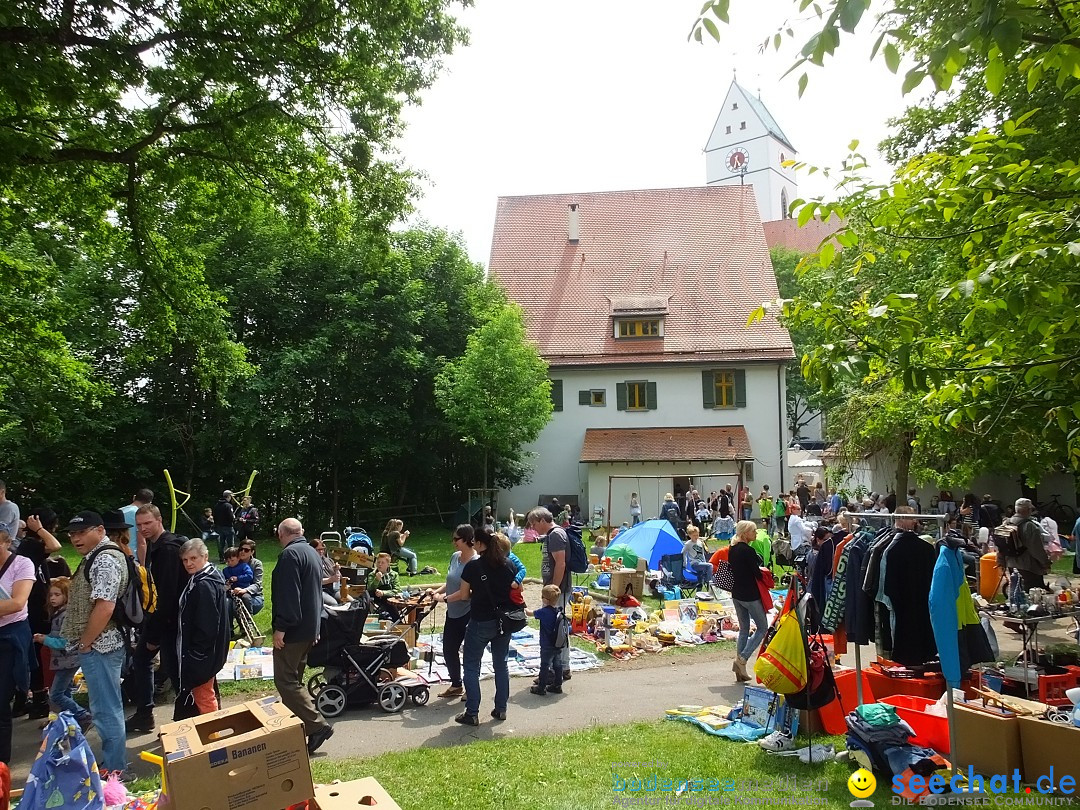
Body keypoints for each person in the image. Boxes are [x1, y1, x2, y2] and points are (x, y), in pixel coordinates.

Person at [64, 511, 129, 775]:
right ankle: (114, 765)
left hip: (101, 646)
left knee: (106, 709)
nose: (75, 539)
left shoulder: (104, 560)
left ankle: (115, 770)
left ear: (100, 531)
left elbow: (105, 607)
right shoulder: (98, 557)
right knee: (105, 707)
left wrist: (85, 643)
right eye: (72, 534)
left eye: (82, 532)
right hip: (98, 645)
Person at [272, 517, 333, 754]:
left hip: (294, 630)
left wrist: (281, 628)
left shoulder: (290, 556)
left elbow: (289, 595)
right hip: (309, 628)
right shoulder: (312, 553)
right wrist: (316, 628)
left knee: (285, 681)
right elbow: (316, 593)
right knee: (294, 681)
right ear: (302, 532)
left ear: (280, 535)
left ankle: (316, 726)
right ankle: (301, 728)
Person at [127, 504, 188, 733]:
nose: (143, 528)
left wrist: (155, 634)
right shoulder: (157, 545)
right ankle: (147, 714)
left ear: (159, 520)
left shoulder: (168, 549)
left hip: (172, 621)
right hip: (164, 619)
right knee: (146, 661)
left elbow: (169, 594)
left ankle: (180, 722)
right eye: (139, 525)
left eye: (147, 523)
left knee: (172, 670)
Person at [453, 528, 517, 724]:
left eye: (474, 542)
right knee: (501, 665)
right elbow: (514, 589)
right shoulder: (508, 565)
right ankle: (501, 708)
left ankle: (472, 712)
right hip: (503, 621)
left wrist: (478, 594)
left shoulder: (473, 567)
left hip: (480, 621)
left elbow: (464, 595)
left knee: (471, 666)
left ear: (480, 545)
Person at [17, 508, 64, 721]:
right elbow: (55, 545)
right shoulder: (31, 545)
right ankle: (39, 699)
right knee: (37, 654)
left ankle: (39, 697)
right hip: (34, 608)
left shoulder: (32, 547)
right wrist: (40, 529)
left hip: (39, 604)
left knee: (40, 652)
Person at [175, 539, 229, 719]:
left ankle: (214, 738)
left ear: (205, 556)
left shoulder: (204, 584)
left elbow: (207, 625)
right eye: (184, 560)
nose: (189, 563)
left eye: (193, 558)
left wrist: (196, 655)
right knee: (204, 694)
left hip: (203, 654)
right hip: (206, 652)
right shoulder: (208, 576)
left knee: (204, 696)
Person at [34, 578, 93, 732]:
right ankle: (69, 720)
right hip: (63, 660)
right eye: (51, 595)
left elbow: (65, 643)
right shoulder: (59, 614)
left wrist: (45, 640)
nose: (52, 598)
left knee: (56, 694)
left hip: (68, 660)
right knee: (65, 692)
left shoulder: (65, 616)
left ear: (66, 596)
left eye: (57, 594)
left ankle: (83, 715)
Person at [428, 524, 478, 698]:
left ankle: (471, 689)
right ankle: (456, 685)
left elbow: (469, 592)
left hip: (469, 613)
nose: (453, 542)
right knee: (449, 649)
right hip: (453, 612)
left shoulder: (475, 562)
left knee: (470, 653)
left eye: (456, 539)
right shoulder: (455, 557)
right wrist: (438, 592)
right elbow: (450, 580)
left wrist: (445, 599)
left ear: (466, 539)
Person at [0, 527, 34, 764]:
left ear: (6, 542)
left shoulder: (22, 564)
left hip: (10, 638)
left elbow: (17, 603)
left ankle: (2, 764)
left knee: (1, 701)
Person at [528, 506, 572, 684]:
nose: (533, 528)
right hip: (554, 590)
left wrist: (553, 589)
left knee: (555, 631)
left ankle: (557, 670)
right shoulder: (553, 535)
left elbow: (560, 564)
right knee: (556, 629)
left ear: (542, 520)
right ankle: (561, 668)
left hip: (556, 591)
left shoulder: (555, 535)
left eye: (533, 524)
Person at [729, 520, 768, 682]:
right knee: (762, 627)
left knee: (744, 629)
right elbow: (756, 574)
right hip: (750, 594)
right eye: (753, 531)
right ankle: (742, 658)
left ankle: (741, 670)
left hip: (736, 593)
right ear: (745, 533)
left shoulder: (733, 549)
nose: (756, 534)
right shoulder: (748, 551)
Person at [1000, 498, 1051, 591]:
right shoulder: (1030, 526)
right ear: (1027, 510)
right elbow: (1036, 549)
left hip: (1011, 564)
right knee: (1032, 595)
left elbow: (1000, 546)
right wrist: (1045, 563)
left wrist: (1001, 561)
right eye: (1031, 509)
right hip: (1029, 566)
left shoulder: (1006, 523)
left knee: (1016, 592)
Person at [528, 584, 566, 696]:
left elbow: (530, 613)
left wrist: (523, 607)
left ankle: (541, 687)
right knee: (557, 665)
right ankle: (557, 685)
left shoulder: (543, 612)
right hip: (557, 644)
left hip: (546, 645)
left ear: (545, 599)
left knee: (545, 666)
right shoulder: (558, 611)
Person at [119, 489, 153, 564]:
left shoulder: (120, 511)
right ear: (149, 503)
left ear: (134, 497)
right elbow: (141, 543)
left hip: (117, 555)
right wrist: (143, 565)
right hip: (132, 558)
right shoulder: (139, 514)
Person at [231, 540, 265, 615]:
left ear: (252, 552)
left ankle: (248, 624)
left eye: (246, 550)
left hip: (254, 596)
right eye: (241, 549)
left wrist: (245, 590)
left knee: (237, 606)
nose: (243, 552)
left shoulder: (256, 564)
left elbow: (257, 585)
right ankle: (228, 626)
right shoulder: (234, 561)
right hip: (235, 594)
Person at [367, 553, 401, 618]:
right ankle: (398, 621)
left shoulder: (394, 575)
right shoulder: (372, 574)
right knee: (388, 601)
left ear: (388, 564)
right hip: (377, 598)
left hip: (391, 596)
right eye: (378, 562)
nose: (380, 564)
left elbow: (396, 590)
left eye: (382, 563)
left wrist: (383, 593)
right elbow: (370, 588)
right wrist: (376, 580)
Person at [309, 538, 340, 607]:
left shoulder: (329, 560)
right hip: (319, 590)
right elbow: (313, 581)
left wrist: (337, 570)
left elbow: (338, 578)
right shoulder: (310, 562)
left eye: (322, 549)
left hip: (333, 589)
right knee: (333, 603)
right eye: (318, 549)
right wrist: (330, 580)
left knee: (349, 600)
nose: (321, 551)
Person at [211, 490, 236, 562]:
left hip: (219, 527)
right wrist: (234, 518)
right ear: (229, 496)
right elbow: (231, 517)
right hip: (228, 527)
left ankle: (222, 558)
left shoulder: (216, 505)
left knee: (221, 544)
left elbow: (214, 516)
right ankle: (231, 557)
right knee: (230, 544)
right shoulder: (228, 506)